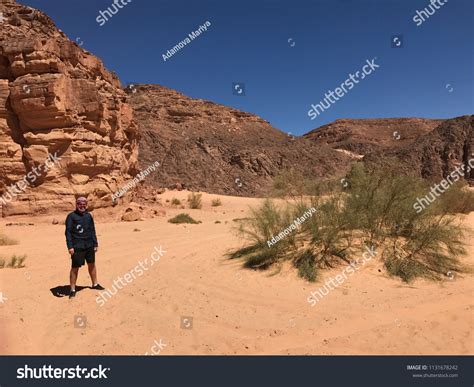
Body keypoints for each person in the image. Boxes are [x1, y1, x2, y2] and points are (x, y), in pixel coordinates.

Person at [65, 197, 104, 299]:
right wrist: (70, 247)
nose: (82, 206)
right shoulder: (71, 216)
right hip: (77, 246)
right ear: (76, 204)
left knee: (92, 264)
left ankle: (95, 284)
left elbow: (92, 230)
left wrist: (95, 243)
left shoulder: (89, 216)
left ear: (86, 205)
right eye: (79, 204)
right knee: (75, 268)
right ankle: (72, 289)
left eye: (84, 204)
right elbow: (68, 233)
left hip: (89, 245)